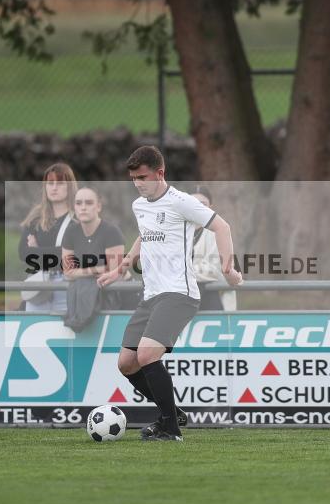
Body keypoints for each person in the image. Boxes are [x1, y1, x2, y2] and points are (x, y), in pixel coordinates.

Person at [98, 146, 243, 441]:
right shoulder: (140, 205)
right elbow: (144, 236)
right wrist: (122, 267)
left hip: (180, 293)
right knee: (127, 363)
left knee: (148, 354)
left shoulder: (182, 202)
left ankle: (169, 427)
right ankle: (172, 412)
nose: (138, 183)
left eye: (142, 177)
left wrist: (228, 268)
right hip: (151, 295)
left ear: (160, 173)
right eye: (133, 178)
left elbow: (222, 227)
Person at [19, 162, 77, 312]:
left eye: (60, 183)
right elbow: (24, 253)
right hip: (39, 287)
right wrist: (61, 251)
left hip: (68, 288)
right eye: (50, 183)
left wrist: (38, 250)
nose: (54, 187)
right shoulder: (35, 218)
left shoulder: (78, 218)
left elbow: (77, 256)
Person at [61, 187, 126, 282]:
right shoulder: (71, 231)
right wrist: (99, 269)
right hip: (83, 290)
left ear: (98, 207)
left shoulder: (111, 232)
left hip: (115, 292)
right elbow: (68, 273)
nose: (83, 208)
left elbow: (114, 272)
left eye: (89, 203)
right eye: (78, 203)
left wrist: (78, 272)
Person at [191, 186, 237, 311]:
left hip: (212, 296)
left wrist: (181, 273)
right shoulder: (176, 230)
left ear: (210, 207)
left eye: (203, 204)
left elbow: (212, 270)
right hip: (182, 299)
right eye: (193, 203)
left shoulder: (219, 231)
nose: (198, 207)